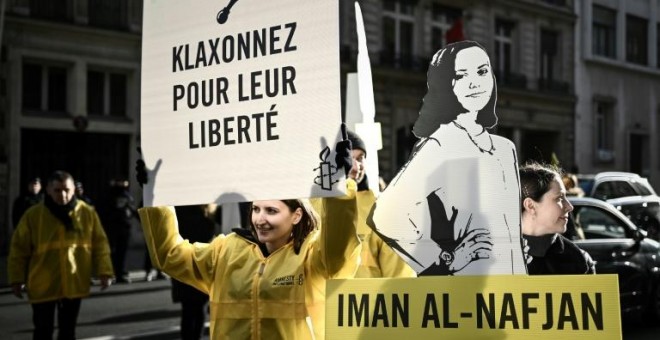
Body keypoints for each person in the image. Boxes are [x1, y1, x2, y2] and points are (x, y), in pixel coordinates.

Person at [136, 136, 361, 339]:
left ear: (296, 215)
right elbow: (168, 256)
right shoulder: (225, 251)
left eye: (272, 211)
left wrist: (338, 189)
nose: (260, 219)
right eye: (256, 209)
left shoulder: (313, 256)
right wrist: (154, 197)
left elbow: (339, 247)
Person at [369, 40, 527, 276]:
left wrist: (515, 247)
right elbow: (385, 216)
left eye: (482, 71)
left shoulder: (506, 149)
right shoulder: (441, 143)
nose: (475, 82)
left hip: (511, 292)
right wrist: (446, 260)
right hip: (464, 293)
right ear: (447, 85)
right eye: (461, 75)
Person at [8, 170, 114, 340]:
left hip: (73, 282)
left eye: (67, 190)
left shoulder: (86, 213)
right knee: (43, 331)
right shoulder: (34, 215)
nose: (63, 195)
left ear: (74, 190)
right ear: (48, 190)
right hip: (43, 284)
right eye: (57, 190)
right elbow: (18, 250)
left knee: (68, 331)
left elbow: (100, 244)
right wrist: (16, 278)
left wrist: (105, 271)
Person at [519, 162, 596, 275]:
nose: (570, 207)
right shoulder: (491, 260)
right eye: (559, 198)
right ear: (530, 205)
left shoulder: (580, 262)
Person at [171, 204, 216, 340]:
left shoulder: (178, 209)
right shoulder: (203, 212)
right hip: (197, 262)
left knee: (190, 308)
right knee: (196, 308)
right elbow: (206, 234)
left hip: (185, 262)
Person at [101, 179, 138, 283]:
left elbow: (132, 209)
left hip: (124, 227)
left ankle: (119, 272)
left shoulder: (127, 196)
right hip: (114, 227)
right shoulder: (111, 196)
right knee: (113, 252)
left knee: (121, 252)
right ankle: (115, 272)